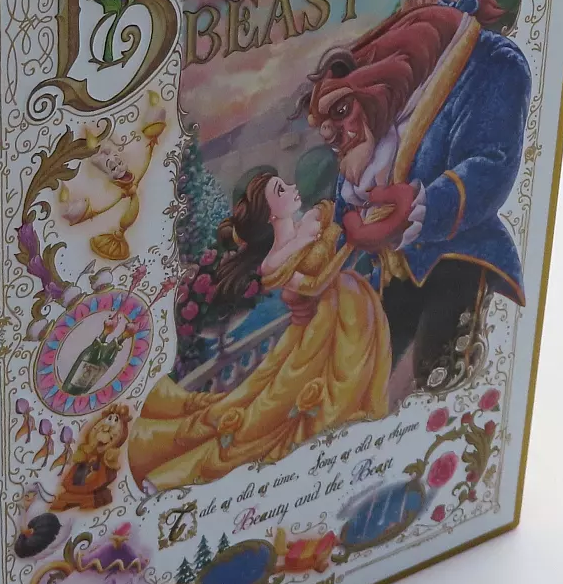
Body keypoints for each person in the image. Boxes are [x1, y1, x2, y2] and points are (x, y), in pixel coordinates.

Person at [296, 0, 530, 397]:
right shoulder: (371, 127)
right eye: (330, 133)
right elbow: (346, 205)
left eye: (342, 113)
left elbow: (491, 163)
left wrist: (425, 206)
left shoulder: (492, 64)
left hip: (459, 259)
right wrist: (314, 274)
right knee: (370, 383)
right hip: (393, 276)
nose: (341, 136)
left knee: (434, 373)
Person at [128, 172, 391, 492]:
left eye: (288, 184)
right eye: (281, 189)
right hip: (309, 340)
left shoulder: (309, 222)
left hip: (344, 316)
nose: (293, 188)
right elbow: (314, 285)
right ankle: (176, 473)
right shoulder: (273, 262)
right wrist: (351, 244)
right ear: (269, 213)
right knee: (262, 417)